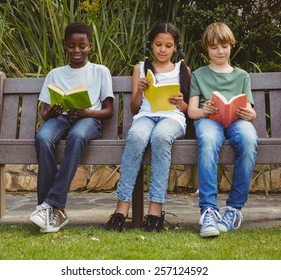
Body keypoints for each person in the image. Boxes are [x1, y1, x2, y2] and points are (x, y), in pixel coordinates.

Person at [105, 23, 191, 232]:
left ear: (175, 47)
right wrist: (140, 91)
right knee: (136, 137)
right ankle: (121, 209)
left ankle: (155, 210)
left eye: (168, 45)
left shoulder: (183, 69)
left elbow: (188, 109)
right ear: (151, 45)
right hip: (146, 115)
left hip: (172, 118)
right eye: (158, 44)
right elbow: (135, 108)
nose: (162, 49)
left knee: (161, 137)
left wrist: (180, 101)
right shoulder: (140, 68)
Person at [29, 22, 114, 233]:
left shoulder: (100, 71)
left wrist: (87, 113)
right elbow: (44, 114)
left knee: (76, 136)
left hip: (88, 120)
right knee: (43, 138)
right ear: (65, 46)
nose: (77, 50)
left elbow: (109, 110)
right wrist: (54, 112)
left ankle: (49, 205)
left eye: (82, 45)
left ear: (90, 46)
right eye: (71, 45)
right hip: (61, 118)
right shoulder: (55, 74)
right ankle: (52, 210)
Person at [187, 22, 258, 238]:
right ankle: (208, 210)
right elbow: (191, 111)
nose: (220, 51)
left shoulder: (242, 75)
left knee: (248, 140)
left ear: (231, 46)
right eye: (215, 47)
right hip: (210, 119)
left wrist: (251, 115)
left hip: (237, 120)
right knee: (208, 141)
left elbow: (250, 110)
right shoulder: (198, 75)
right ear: (206, 49)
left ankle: (233, 209)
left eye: (225, 46)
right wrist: (205, 110)